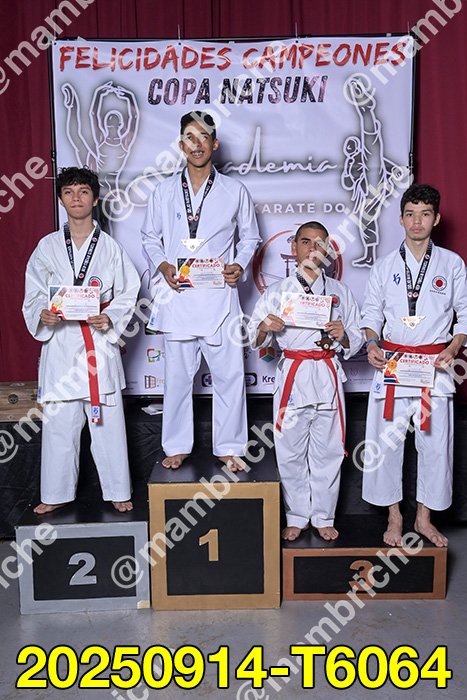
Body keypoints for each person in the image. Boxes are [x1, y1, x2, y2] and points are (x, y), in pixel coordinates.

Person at [141, 111, 260, 470]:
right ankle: (176, 445)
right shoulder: (163, 192)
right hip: (177, 296)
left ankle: (230, 446)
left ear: (215, 143)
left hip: (219, 298)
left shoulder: (234, 191)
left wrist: (239, 264)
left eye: (203, 137)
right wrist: (163, 266)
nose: (197, 145)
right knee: (177, 380)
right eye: (190, 138)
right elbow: (149, 237)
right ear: (181, 145)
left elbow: (250, 237)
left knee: (230, 377)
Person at [22, 166, 140, 514]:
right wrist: (42, 313)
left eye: (83, 192)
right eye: (69, 192)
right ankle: (55, 493)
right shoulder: (47, 246)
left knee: (109, 426)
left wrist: (111, 316)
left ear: (95, 199)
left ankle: (118, 490)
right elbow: (33, 293)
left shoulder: (111, 247)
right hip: (61, 345)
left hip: (98, 345)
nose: (76, 198)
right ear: (61, 199)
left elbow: (129, 291)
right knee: (60, 426)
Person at [361, 183, 467, 547]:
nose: (416, 221)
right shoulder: (384, 266)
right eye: (410, 214)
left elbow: (464, 314)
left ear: (436, 219)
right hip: (392, 364)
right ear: (401, 219)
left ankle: (423, 517)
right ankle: (394, 516)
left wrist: (454, 347)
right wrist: (371, 343)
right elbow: (371, 314)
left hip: (434, 366)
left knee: (435, 447)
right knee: (385, 446)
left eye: (424, 214)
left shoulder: (452, 264)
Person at [248, 222, 363, 541]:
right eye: (306, 242)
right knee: (290, 451)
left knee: (329, 451)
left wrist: (344, 335)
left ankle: (324, 515)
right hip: (293, 376)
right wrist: (264, 327)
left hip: (326, 374)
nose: (313, 248)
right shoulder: (276, 292)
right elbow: (253, 338)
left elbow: (356, 338)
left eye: (320, 243)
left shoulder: (340, 292)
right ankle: (297, 515)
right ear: (294, 247)